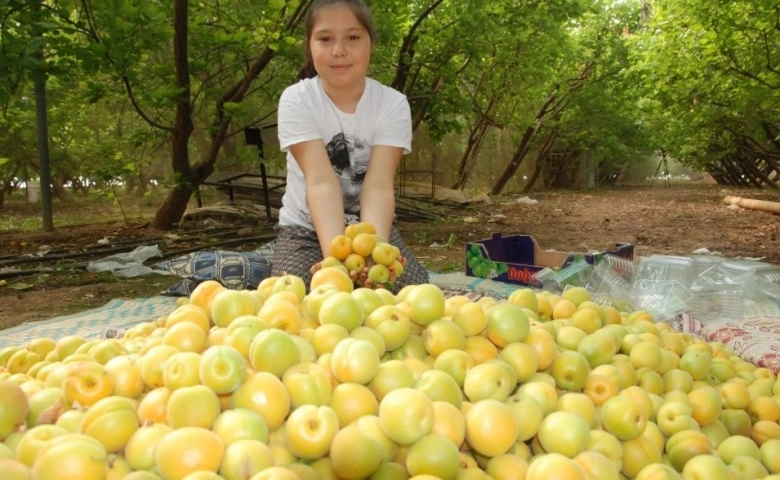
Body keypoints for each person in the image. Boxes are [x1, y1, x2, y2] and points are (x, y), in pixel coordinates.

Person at [271, 0, 429, 292]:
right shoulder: (297, 100)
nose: (339, 50)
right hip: (303, 228)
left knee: (410, 289)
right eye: (325, 38)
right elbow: (320, 183)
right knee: (299, 294)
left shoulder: (392, 104)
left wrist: (372, 257)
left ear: (371, 43)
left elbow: (379, 186)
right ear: (310, 45)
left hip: (370, 228)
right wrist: (337, 264)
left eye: (353, 37)